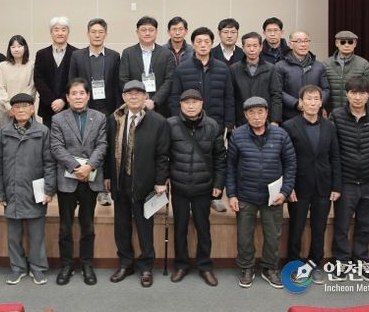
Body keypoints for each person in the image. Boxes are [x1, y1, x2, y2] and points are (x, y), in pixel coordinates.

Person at [105, 81, 170, 288]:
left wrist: (160, 181)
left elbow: (163, 155)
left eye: (138, 93)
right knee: (121, 226)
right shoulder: (114, 118)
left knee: (144, 228)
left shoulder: (158, 121)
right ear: (124, 97)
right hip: (119, 180)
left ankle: (146, 267)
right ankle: (125, 264)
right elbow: (108, 150)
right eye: (129, 93)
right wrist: (107, 176)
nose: (134, 97)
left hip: (144, 182)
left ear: (145, 97)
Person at [227, 97, 296, 289]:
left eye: (260, 112)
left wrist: (285, 191)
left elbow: (291, 165)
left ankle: (269, 268)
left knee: (273, 236)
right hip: (245, 195)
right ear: (245, 115)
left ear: (267, 113)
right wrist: (232, 194)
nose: (256, 117)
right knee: (244, 236)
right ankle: (246, 267)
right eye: (251, 112)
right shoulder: (237, 135)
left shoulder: (281, 135)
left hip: (273, 197)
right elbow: (230, 167)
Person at [49, 78, 108, 286]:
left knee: (88, 226)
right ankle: (66, 265)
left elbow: (102, 145)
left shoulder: (99, 117)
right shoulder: (58, 119)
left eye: (82, 93)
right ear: (67, 97)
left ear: (88, 96)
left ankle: (86, 265)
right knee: (65, 227)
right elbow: (56, 147)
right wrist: (76, 167)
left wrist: (88, 166)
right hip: (67, 179)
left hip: (90, 179)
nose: (78, 97)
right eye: (73, 93)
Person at [0, 93, 57, 286]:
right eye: (17, 107)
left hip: (35, 190)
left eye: (25, 106)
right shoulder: (3, 132)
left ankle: (37, 268)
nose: (21, 110)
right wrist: (0, 192)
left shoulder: (42, 131)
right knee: (13, 236)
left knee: (37, 235)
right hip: (11, 190)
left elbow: (49, 162)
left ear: (32, 109)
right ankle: (18, 268)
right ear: (11, 111)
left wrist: (49, 190)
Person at [282, 85, 342, 284]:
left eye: (316, 99)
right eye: (308, 99)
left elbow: (335, 157)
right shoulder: (289, 126)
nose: (313, 103)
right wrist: (288, 187)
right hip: (298, 185)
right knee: (296, 227)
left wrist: (336, 186)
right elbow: (285, 159)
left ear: (321, 102)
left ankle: (315, 263)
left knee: (319, 228)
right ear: (301, 102)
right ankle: (293, 263)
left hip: (323, 185)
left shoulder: (330, 126)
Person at [167, 89, 226, 287]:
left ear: (202, 104)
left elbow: (220, 157)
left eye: (195, 102)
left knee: (203, 228)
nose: (191, 106)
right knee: (180, 228)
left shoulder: (213, 126)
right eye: (186, 102)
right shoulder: (171, 125)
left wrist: (218, 184)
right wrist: (163, 180)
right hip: (179, 186)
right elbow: (163, 155)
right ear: (180, 105)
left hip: (203, 187)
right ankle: (181, 265)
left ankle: (205, 266)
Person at [330, 77, 369, 280]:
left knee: (365, 226)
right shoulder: (336, 116)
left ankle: (361, 262)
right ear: (347, 94)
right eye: (353, 93)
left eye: (362, 93)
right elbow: (333, 151)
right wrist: (335, 183)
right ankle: (342, 262)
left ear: (368, 95)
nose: (357, 97)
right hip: (345, 182)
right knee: (342, 226)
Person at [68, 18, 120, 207]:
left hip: (108, 109)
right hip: (84, 109)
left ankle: (103, 190)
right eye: (93, 32)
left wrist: (117, 110)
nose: (97, 35)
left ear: (106, 34)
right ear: (88, 34)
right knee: (85, 148)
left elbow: (117, 85)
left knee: (105, 148)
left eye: (100, 32)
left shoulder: (114, 56)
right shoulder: (77, 56)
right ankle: (83, 190)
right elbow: (72, 82)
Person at [169, 26, 234, 131]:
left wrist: (229, 123)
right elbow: (175, 98)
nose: (203, 45)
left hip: (217, 124)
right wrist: (178, 122)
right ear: (192, 44)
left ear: (212, 43)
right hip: (188, 125)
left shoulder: (223, 68)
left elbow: (229, 98)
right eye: (199, 42)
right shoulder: (181, 68)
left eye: (207, 42)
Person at [119, 16, 176, 117]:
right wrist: (137, 98)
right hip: (134, 105)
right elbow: (123, 79)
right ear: (137, 32)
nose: (147, 33)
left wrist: (154, 101)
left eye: (151, 30)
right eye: (143, 30)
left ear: (156, 32)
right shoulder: (128, 53)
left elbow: (169, 80)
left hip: (160, 107)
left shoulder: (167, 54)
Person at [229, 31, 283, 126]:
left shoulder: (270, 68)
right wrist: (231, 122)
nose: (252, 49)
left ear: (261, 47)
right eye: (248, 46)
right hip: (241, 120)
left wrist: (275, 120)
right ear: (243, 48)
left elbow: (276, 96)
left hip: (265, 120)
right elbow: (230, 97)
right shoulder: (234, 69)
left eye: (255, 46)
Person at [275, 30, 330, 121]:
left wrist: (317, 103)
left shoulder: (319, 66)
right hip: (290, 115)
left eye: (306, 41)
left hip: (314, 115)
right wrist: (296, 103)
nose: (303, 44)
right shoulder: (280, 66)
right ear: (290, 44)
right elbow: (278, 91)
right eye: (299, 41)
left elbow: (326, 89)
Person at [34, 17, 77, 127]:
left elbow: (76, 80)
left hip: (70, 106)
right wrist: (52, 101)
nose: (60, 33)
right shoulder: (41, 54)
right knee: (48, 136)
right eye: (56, 29)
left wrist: (63, 100)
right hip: (48, 107)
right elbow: (38, 79)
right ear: (51, 32)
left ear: (68, 32)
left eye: (63, 29)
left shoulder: (77, 53)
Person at [323, 30, 369, 113]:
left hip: (356, 112)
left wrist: (365, 111)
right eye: (343, 42)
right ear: (336, 43)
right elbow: (322, 90)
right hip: (331, 112)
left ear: (355, 44)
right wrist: (322, 108)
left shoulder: (364, 64)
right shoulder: (326, 64)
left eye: (350, 42)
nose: (346, 45)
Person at [0, 35, 36, 129]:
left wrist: (20, 107)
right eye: (13, 47)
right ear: (9, 49)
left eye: (19, 46)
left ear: (25, 48)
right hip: (6, 110)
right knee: (6, 136)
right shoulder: (2, 65)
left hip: (25, 110)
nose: (16, 49)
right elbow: (1, 88)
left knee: (28, 136)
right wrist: (9, 107)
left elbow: (32, 87)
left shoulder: (32, 65)